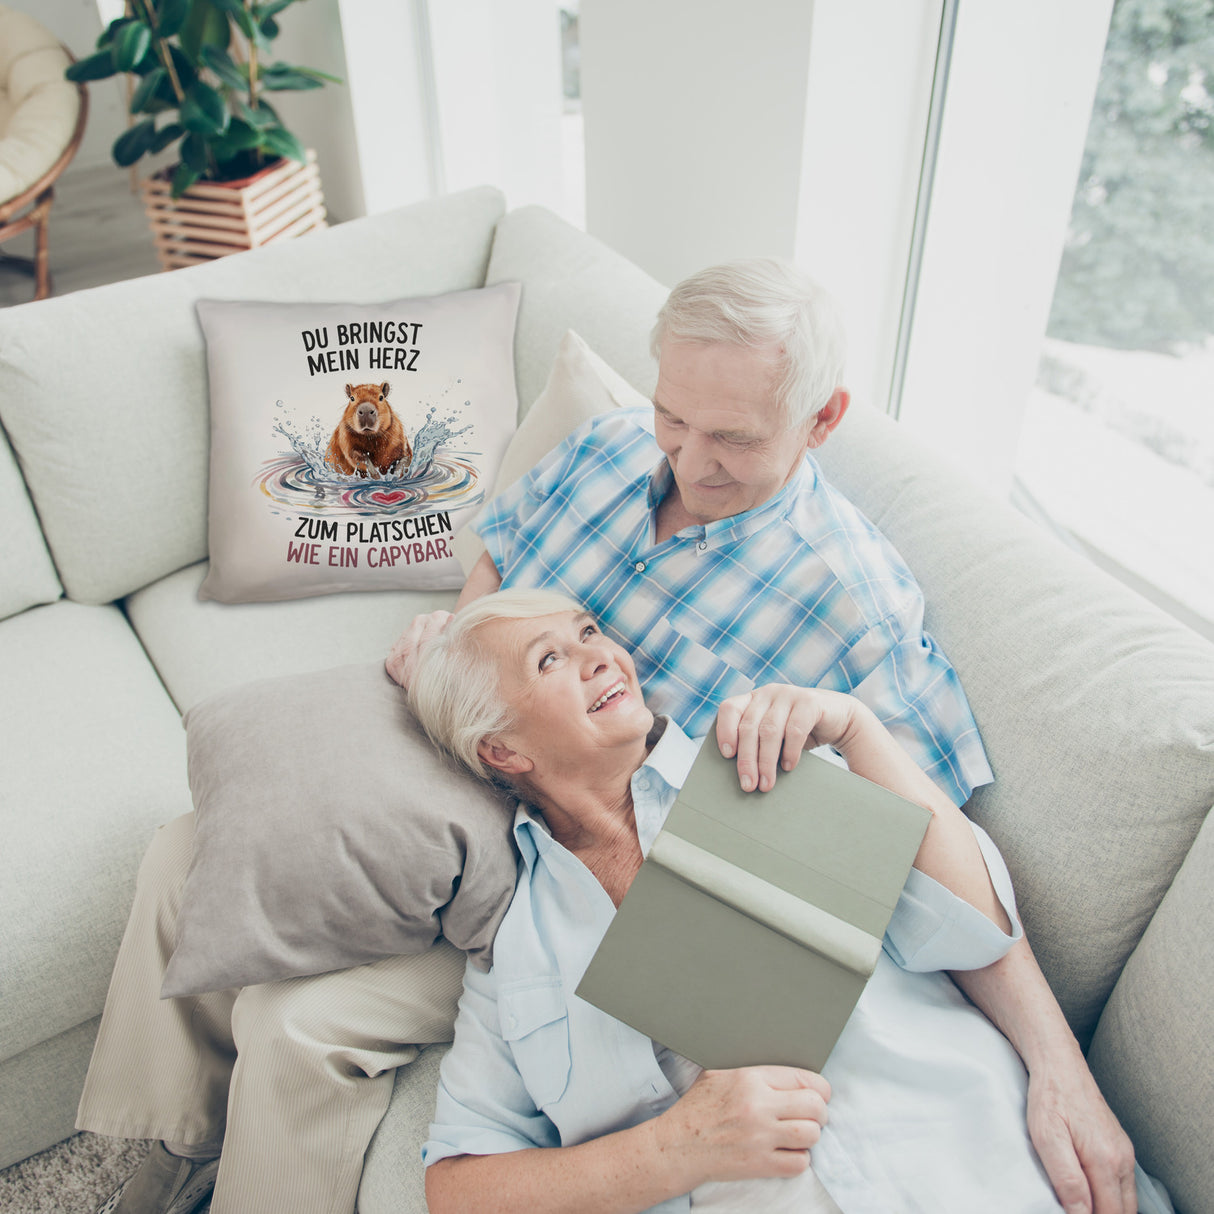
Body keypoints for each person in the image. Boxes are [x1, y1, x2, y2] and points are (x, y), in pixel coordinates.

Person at [79, 260, 1131, 1214]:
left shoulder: (853, 607)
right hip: (488, 747)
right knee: (192, 846)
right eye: (674, 415)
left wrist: (1057, 1063)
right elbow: (500, 557)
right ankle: (159, 1150)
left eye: (732, 438)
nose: (687, 457)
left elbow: (927, 855)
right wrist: (458, 642)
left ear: (820, 420)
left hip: (578, 852)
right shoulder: (609, 447)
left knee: (300, 1024)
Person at [408, 589, 1160, 1214]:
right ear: (502, 751)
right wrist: (673, 1149)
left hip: (985, 1167)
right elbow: (458, 1188)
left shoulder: (763, 762)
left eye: (589, 632)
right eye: (550, 659)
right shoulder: (517, 951)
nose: (601, 655)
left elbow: (973, 929)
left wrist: (858, 730)